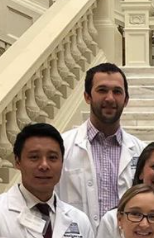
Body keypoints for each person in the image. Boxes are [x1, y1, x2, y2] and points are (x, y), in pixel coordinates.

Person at [58, 63, 146, 229]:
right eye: (102, 90)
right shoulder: (63, 147)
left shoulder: (141, 152)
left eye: (117, 92)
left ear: (126, 100)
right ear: (87, 96)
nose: (110, 98)